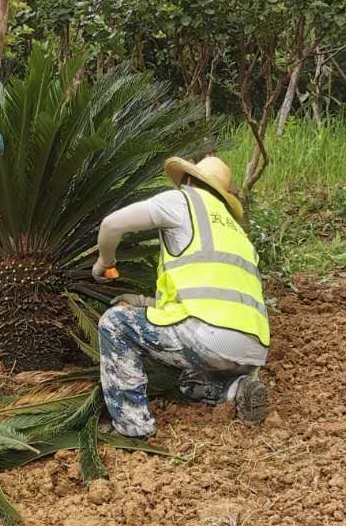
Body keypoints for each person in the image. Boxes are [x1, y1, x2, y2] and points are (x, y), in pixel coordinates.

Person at [90, 155, 270, 438]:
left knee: (114, 323)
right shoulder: (237, 232)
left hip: (207, 337)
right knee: (186, 380)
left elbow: (111, 225)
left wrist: (106, 263)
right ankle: (235, 390)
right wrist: (144, 303)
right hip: (252, 349)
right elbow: (206, 294)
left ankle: (131, 426)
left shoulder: (183, 202)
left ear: (187, 179)